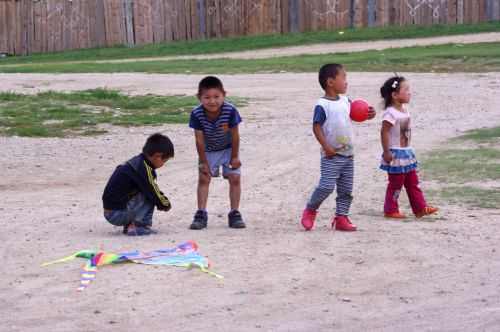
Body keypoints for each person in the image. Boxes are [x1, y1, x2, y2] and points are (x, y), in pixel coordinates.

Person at [301, 63, 376, 232]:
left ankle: (341, 217)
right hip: (331, 155)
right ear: (330, 82)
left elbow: (357, 113)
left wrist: (369, 114)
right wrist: (326, 147)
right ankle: (311, 209)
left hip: (348, 155)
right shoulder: (322, 104)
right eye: (343, 77)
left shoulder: (345, 101)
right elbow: (316, 127)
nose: (346, 82)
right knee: (326, 186)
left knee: (346, 190)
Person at [189, 76, 246, 230]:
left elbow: (235, 135)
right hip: (208, 150)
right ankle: (201, 213)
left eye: (216, 97)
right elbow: (199, 140)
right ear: (199, 98)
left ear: (224, 95)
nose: (212, 101)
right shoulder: (197, 113)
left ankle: (234, 213)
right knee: (203, 178)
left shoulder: (230, 110)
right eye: (207, 97)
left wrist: (235, 156)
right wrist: (203, 162)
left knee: (234, 177)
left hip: (228, 148)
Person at [379, 75, 438, 219]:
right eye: (406, 89)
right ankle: (390, 209)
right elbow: (384, 131)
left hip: (406, 154)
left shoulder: (404, 110)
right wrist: (386, 151)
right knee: (396, 184)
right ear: (394, 95)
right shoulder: (390, 113)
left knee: (413, 182)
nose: (409, 92)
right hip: (395, 155)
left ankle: (420, 208)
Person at [102, 133, 174, 236]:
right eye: (165, 161)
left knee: (145, 190)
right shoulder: (144, 169)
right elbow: (154, 191)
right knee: (150, 194)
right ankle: (138, 226)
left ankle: (131, 224)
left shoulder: (137, 163)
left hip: (111, 211)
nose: (163, 164)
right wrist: (165, 204)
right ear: (157, 156)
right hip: (116, 214)